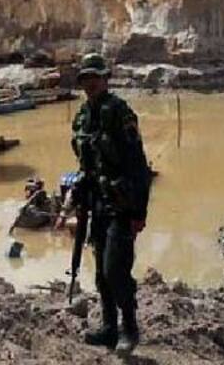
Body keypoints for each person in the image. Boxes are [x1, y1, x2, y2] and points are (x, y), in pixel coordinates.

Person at [70, 52, 152, 355]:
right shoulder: (83, 115)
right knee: (101, 274)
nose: (90, 83)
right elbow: (86, 162)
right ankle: (108, 327)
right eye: (86, 79)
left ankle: (129, 329)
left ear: (105, 79)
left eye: (95, 77)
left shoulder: (120, 113)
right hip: (97, 203)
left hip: (122, 204)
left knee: (116, 270)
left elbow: (139, 166)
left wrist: (139, 212)